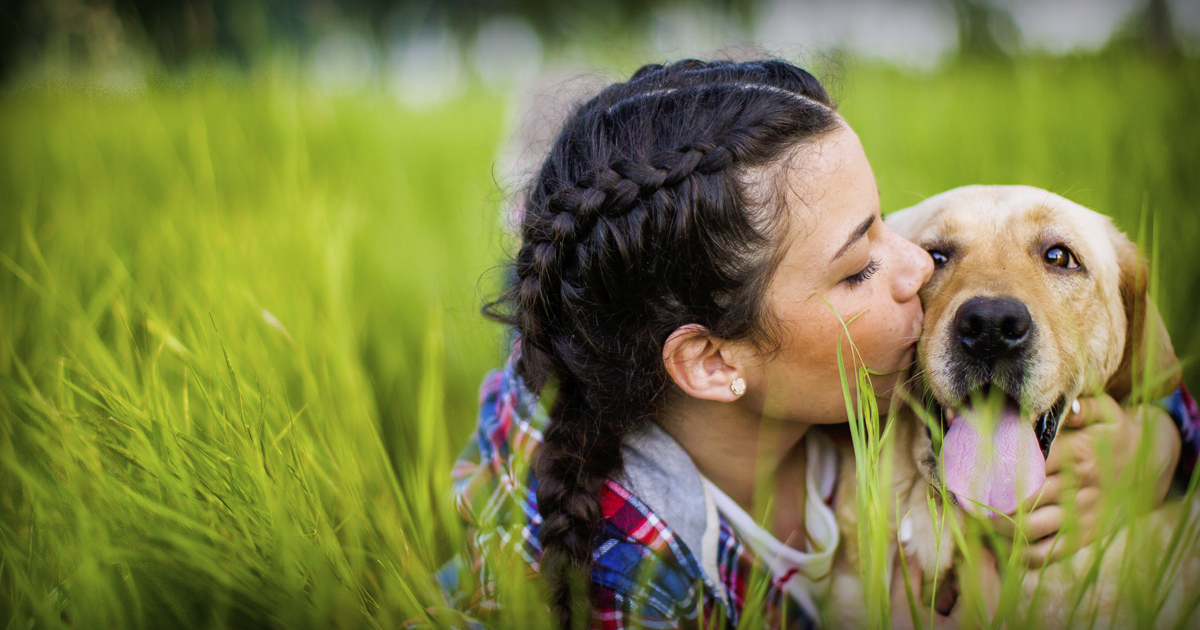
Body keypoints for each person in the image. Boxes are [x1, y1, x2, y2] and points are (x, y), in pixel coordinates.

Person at [445, 58, 1199, 628]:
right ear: (714, 361)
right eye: (862, 266)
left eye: (884, 225)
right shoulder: (633, 578)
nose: (922, 275)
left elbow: (1163, 380)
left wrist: (1161, 445)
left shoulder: (852, 371)